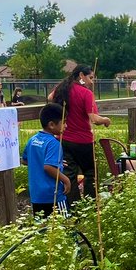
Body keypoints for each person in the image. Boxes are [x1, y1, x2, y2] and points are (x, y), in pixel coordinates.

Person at [50, 65, 111, 205]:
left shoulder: (63, 89)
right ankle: (89, 205)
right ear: (81, 75)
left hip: (63, 139)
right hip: (83, 141)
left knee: (70, 174)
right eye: (90, 78)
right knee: (90, 173)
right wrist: (106, 120)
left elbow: (50, 97)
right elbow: (94, 119)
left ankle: (74, 207)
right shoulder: (86, 93)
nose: (92, 81)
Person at [25, 103, 71, 217]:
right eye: (64, 122)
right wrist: (66, 180)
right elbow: (48, 167)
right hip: (53, 195)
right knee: (64, 226)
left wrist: (57, 163)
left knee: (41, 228)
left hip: (37, 195)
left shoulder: (33, 140)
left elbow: (25, 160)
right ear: (51, 124)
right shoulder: (54, 143)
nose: (66, 126)